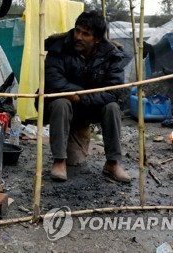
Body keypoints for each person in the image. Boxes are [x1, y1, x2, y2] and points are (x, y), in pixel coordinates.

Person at [43, 10, 131, 183]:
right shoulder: (58, 47)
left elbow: (113, 90)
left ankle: (113, 163)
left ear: (97, 39)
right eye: (77, 31)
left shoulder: (111, 54)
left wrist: (82, 98)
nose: (78, 37)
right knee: (61, 102)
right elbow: (54, 82)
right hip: (60, 104)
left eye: (86, 34)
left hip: (90, 106)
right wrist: (74, 95)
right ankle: (59, 160)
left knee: (112, 107)